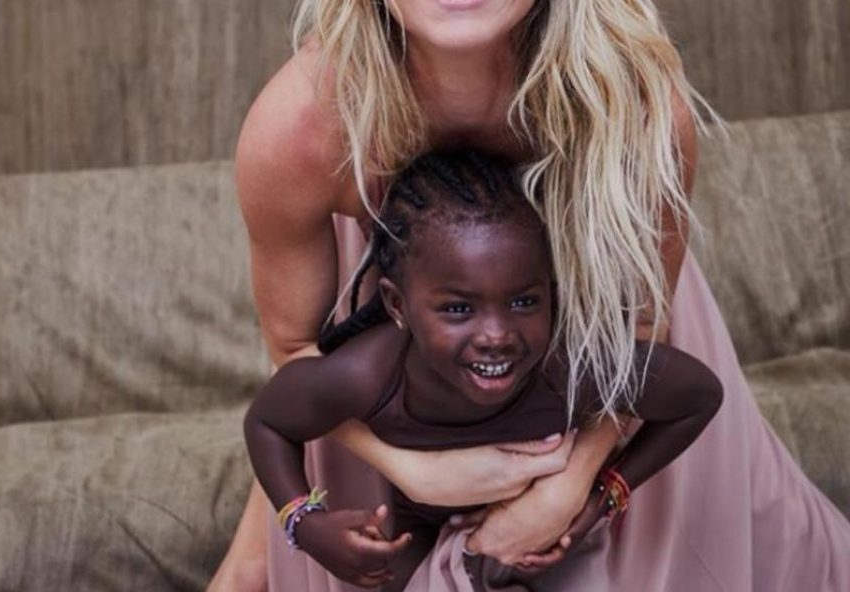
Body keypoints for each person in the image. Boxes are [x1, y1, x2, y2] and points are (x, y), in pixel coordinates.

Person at [210, 1, 850, 590]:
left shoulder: (635, 100)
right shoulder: (303, 123)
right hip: (399, 367)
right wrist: (410, 468)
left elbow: (643, 326)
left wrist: (577, 483)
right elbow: (294, 347)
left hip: (610, 349)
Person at [243, 150, 725, 590]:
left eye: (523, 302)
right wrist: (305, 524)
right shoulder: (366, 376)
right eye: (458, 309)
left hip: (544, 535)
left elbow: (699, 396)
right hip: (419, 527)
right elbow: (267, 423)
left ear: (553, 295)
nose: (496, 335)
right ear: (397, 305)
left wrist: (602, 495)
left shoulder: (570, 368)